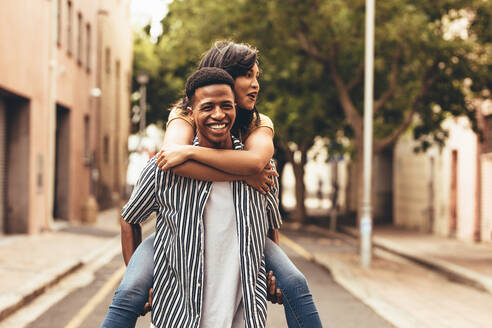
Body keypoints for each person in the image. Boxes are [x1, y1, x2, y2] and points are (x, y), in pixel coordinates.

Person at [102, 41, 321, 328]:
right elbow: (171, 160)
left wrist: (270, 272)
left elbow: (263, 196)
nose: (255, 84)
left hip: (247, 238)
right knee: (130, 290)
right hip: (178, 237)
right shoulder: (183, 116)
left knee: (295, 282)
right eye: (247, 76)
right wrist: (236, 170)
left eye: (257, 76)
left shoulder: (258, 122)